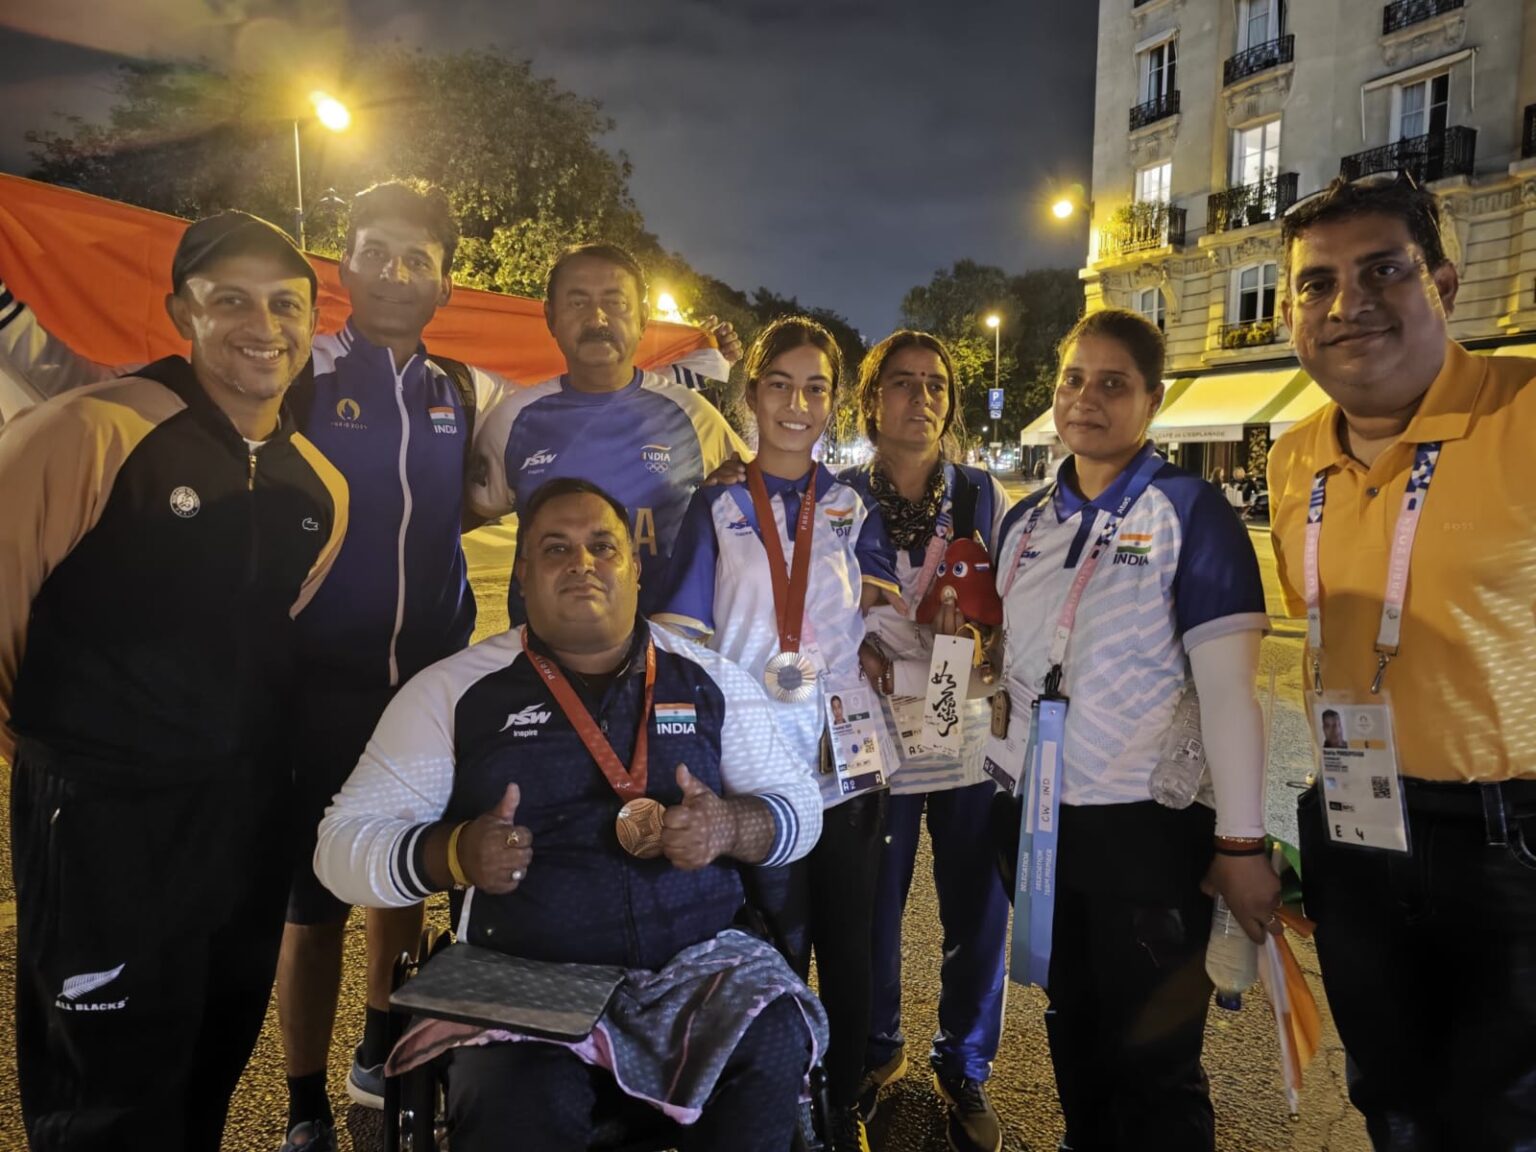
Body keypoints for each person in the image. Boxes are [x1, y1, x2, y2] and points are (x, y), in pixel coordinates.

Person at [0, 191, 738, 1150]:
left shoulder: (462, 391)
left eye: (418, 258)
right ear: (343, 270)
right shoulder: (296, 372)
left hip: (423, 667)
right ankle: (305, 1100)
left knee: (400, 877)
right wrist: (53, 736)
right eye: (376, 253)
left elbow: (471, 504)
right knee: (305, 904)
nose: (396, 273)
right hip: (295, 695)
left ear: (443, 280)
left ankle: (379, 1053)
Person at [314, 478, 825, 1152]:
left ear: (635, 569)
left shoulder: (710, 679)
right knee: (518, 1102)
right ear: (522, 575)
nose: (582, 563)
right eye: (555, 549)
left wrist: (730, 826)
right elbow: (338, 850)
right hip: (524, 984)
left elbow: (802, 812)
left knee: (774, 1042)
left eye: (602, 546)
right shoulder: (452, 692)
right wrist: (455, 853)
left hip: (697, 969)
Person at [0, 211, 349, 1152]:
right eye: (228, 300)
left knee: (208, 1059)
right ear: (180, 313)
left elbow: (273, 627)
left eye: (285, 304)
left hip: (242, 818)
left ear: (312, 322)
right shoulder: (92, 430)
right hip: (107, 817)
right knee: (105, 1092)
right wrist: (71, 745)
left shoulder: (319, 487)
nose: (261, 325)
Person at [1268, 173, 1536, 1150]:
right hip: (1356, 816)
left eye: (1383, 269)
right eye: (1315, 282)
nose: (1347, 304)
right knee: (1390, 1099)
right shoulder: (1293, 454)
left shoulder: (1526, 412)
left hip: (1508, 836)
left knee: (1502, 1119)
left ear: (1445, 286)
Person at [993, 308, 1275, 1151]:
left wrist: (1241, 845)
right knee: (1070, 1020)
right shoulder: (1026, 521)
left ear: (1153, 401)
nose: (1087, 398)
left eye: (1113, 383)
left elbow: (1232, 696)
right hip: (1039, 823)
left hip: (1146, 830)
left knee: (1154, 1058)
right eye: (1074, 379)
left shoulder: (1194, 513)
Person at [655, 316, 901, 1151]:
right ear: (751, 392)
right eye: (780, 385)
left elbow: (884, 613)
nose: (798, 404)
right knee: (778, 943)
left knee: (852, 938)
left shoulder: (850, 503)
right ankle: (784, 1103)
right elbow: (683, 636)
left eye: (816, 387)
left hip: (843, 758)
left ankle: (842, 1110)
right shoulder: (717, 504)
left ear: (833, 401)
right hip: (752, 763)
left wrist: (900, 635)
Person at [842, 331, 1012, 1152]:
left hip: (965, 730)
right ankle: (878, 1051)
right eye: (902, 383)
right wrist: (854, 645)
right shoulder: (838, 498)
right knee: (875, 903)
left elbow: (1019, 615)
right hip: (876, 736)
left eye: (936, 384)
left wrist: (982, 644)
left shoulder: (981, 496)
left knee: (977, 906)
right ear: (872, 400)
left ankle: (965, 1062)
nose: (921, 397)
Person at [468, 242, 748, 622]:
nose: (597, 318)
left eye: (616, 303)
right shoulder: (513, 419)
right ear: (550, 316)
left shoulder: (694, 416)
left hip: (661, 655)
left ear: (643, 317)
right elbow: (466, 513)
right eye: (577, 302)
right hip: (539, 662)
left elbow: (759, 503)